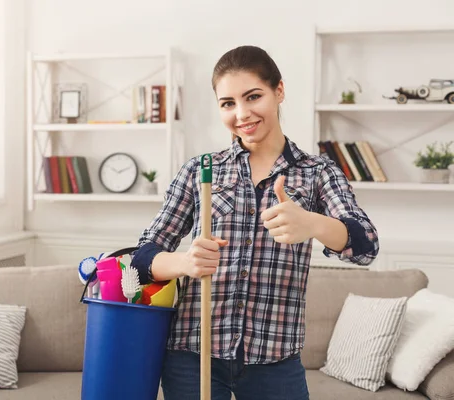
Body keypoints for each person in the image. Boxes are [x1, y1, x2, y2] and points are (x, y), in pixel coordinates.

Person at [130, 45, 379, 400]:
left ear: (279, 91)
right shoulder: (201, 170)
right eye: (228, 103)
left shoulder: (317, 173)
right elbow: (142, 258)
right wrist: (185, 262)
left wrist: (314, 224)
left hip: (275, 361)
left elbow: (366, 246)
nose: (242, 113)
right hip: (192, 356)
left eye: (253, 97)